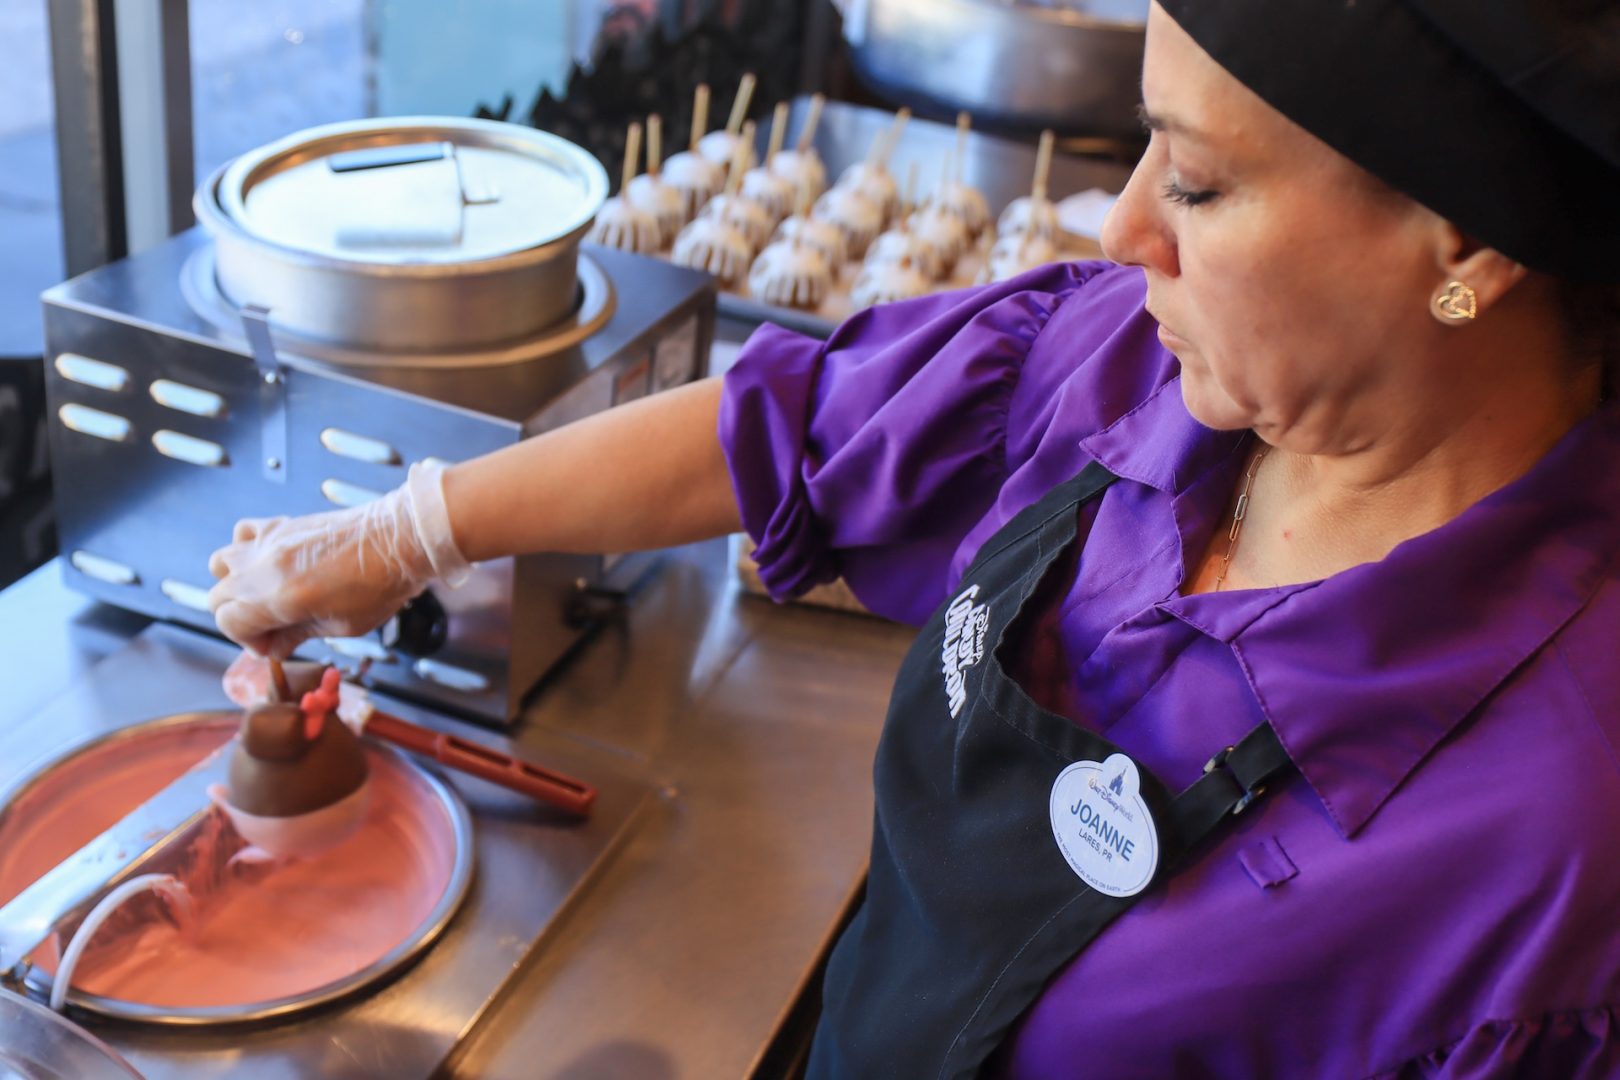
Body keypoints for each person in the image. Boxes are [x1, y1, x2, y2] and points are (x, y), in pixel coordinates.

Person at [208, 1, 1620, 1075]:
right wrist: (396, 536)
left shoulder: (1557, 861)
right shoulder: (1122, 366)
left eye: (1193, 181)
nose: (1123, 224)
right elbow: (793, 423)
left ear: (1468, 248)